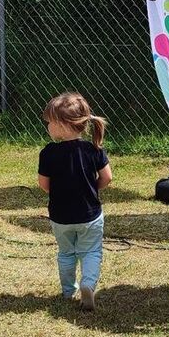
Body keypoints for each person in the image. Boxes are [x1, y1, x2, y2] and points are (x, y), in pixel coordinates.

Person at [37, 91, 113, 311]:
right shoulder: (93, 149)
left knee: (66, 253)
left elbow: (44, 184)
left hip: (60, 217)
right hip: (90, 215)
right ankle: (88, 284)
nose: (47, 126)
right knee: (91, 251)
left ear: (62, 124)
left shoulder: (48, 153)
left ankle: (68, 290)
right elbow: (107, 178)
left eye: (49, 122)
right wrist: (92, 188)